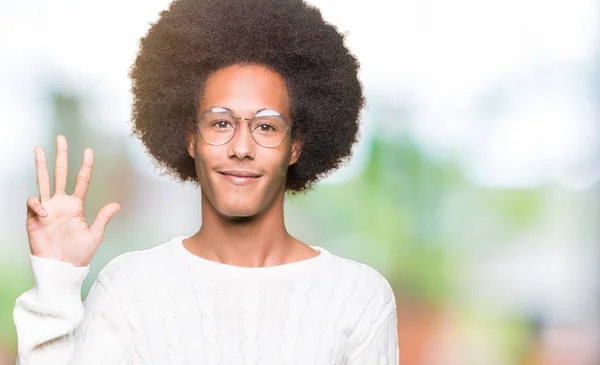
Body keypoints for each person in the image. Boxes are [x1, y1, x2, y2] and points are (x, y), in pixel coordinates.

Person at [13, 0, 399, 364]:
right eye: (221, 123)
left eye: (266, 126)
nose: (242, 147)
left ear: (295, 146)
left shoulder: (358, 297)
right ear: (190, 139)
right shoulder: (130, 288)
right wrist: (55, 281)